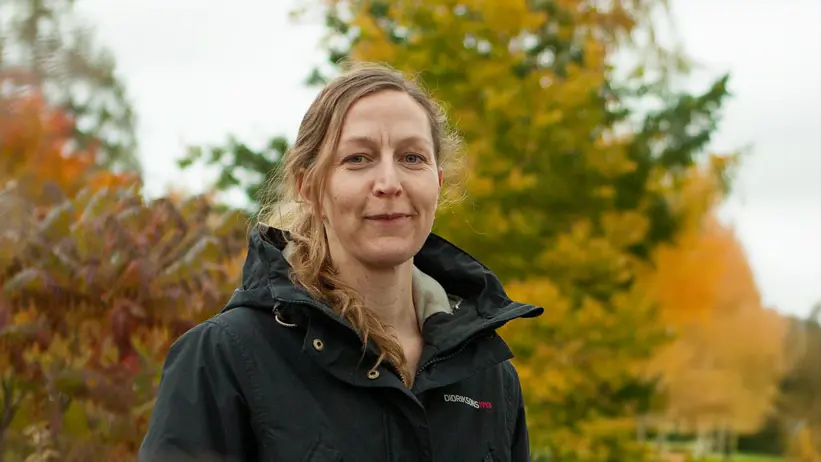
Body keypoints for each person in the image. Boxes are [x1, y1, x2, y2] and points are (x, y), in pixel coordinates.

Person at [138, 62, 543, 462]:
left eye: (412, 158)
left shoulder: (487, 375)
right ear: (309, 187)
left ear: (437, 182)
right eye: (358, 159)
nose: (389, 183)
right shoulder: (227, 356)